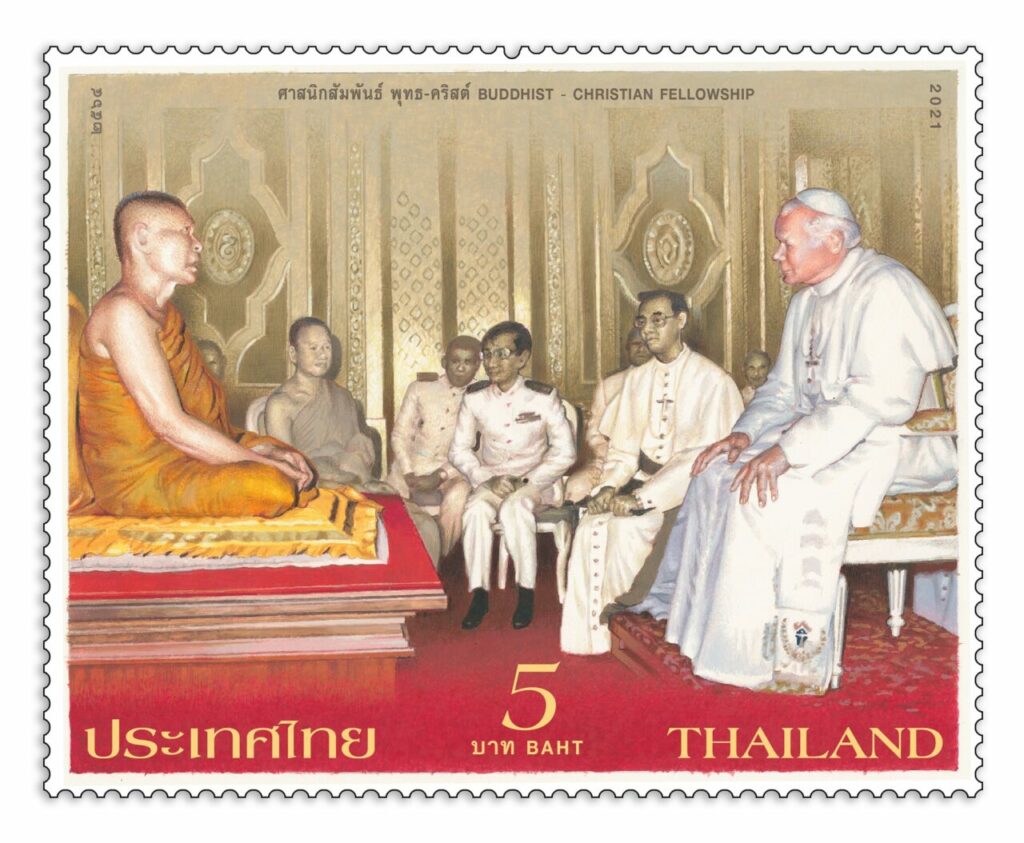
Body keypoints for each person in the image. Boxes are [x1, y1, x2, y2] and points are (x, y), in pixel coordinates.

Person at [633, 188, 957, 693]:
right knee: (716, 471)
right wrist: (743, 434)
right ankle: (701, 633)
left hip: (901, 442)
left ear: (832, 240)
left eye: (785, 244)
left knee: (763, 490)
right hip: (834, 433)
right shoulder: (807, 300)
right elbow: (782, 389)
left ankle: (768, 656)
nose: (776, 255)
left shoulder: (885, 288)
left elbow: (881, 401)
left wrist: (787, 452)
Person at [77, 191, 315, 518]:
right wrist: (260, 462)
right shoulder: (122, 314)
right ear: (142, 238)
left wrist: (262, 450)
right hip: (144, 478)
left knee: (294, 461)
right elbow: (169, 425)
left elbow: (200, 416)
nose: (198, 244)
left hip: (182, 456)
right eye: (185, 231)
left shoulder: (165, 313)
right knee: (273, 485)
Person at [560, 292, 743, 655]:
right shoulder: (636, 379)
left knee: (628, 530)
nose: (648, 329)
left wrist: (641, 499)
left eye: (658, 319)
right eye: (642, 321)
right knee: (590, 527)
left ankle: (631, 630)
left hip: (691, 492)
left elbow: (699, 460)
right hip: (641, 483)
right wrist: (608, 488)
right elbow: (624, 451)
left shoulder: (713, 381)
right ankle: (592, 639)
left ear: (681, 320)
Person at [265, 317, 442, 565]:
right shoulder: (281, 404)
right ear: (293, 353)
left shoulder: (343, 397)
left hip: (358, 485)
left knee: (425, 525)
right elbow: (289, 473)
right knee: (387, 529)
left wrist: (366, 482)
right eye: (313, 348)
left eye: (326, 347)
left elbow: (359, 455)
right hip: (316, 493)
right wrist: (349, 484)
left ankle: (415, 590)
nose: (322, 354)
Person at [450, 321, 576, 630]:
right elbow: (458, 450)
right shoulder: (475, 398)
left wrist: (529, 480)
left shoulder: (542, 397)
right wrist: (485, 479)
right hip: (492, 479)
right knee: (475, 510)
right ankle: (479, 594)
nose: (492, 363)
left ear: (522, 358)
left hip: (535, 482)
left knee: (515, 507)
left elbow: (565, 452)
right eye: (488, 354)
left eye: (502, 354)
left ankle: (526, 593)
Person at [386, 336, 483, 557]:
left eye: (468, 362)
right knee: (391, 500)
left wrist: (440, 476)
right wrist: (407, 471)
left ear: (478, 364)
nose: (461, 367)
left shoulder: (482, 397)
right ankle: (401, 558)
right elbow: (400, 435)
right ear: (443, 362)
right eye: (455, 361)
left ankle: (440, 559)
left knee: (458, 495)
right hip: (413, 464)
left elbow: (475, 450)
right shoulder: (420, 389)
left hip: (454, 470)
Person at [564, 328, 652, 504]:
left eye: (646, 345)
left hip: (649, 467)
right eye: (636, 344)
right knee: (576, 488)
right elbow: (594, 433)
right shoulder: (609, 384)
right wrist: (605, 458)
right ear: (627, 348)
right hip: (609, 460)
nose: (641, 349)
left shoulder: (666, 382)